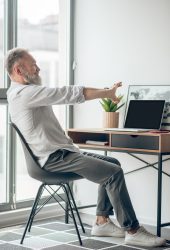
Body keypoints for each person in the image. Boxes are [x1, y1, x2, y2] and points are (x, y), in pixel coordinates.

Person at [5, 48, 166, 248]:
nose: (38, 69)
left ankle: (101, 222)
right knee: (113, 173)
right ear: (19, 70)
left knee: (112, 162)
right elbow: (66, 93)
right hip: (54, 158)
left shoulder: (21, 93)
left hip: (61, 153)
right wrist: (106, 93)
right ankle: (132, 230)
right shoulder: (24, 93)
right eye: (33, 65)